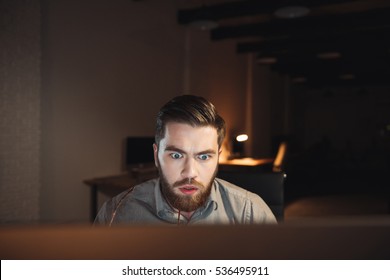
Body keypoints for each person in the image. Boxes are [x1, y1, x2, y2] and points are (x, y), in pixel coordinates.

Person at [94, 95, 276, 225]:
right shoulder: (115, 214)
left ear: (218, 157)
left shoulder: (252, 213)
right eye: (176, 155)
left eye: (204, 156)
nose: (190, 172)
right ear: (156, 155)